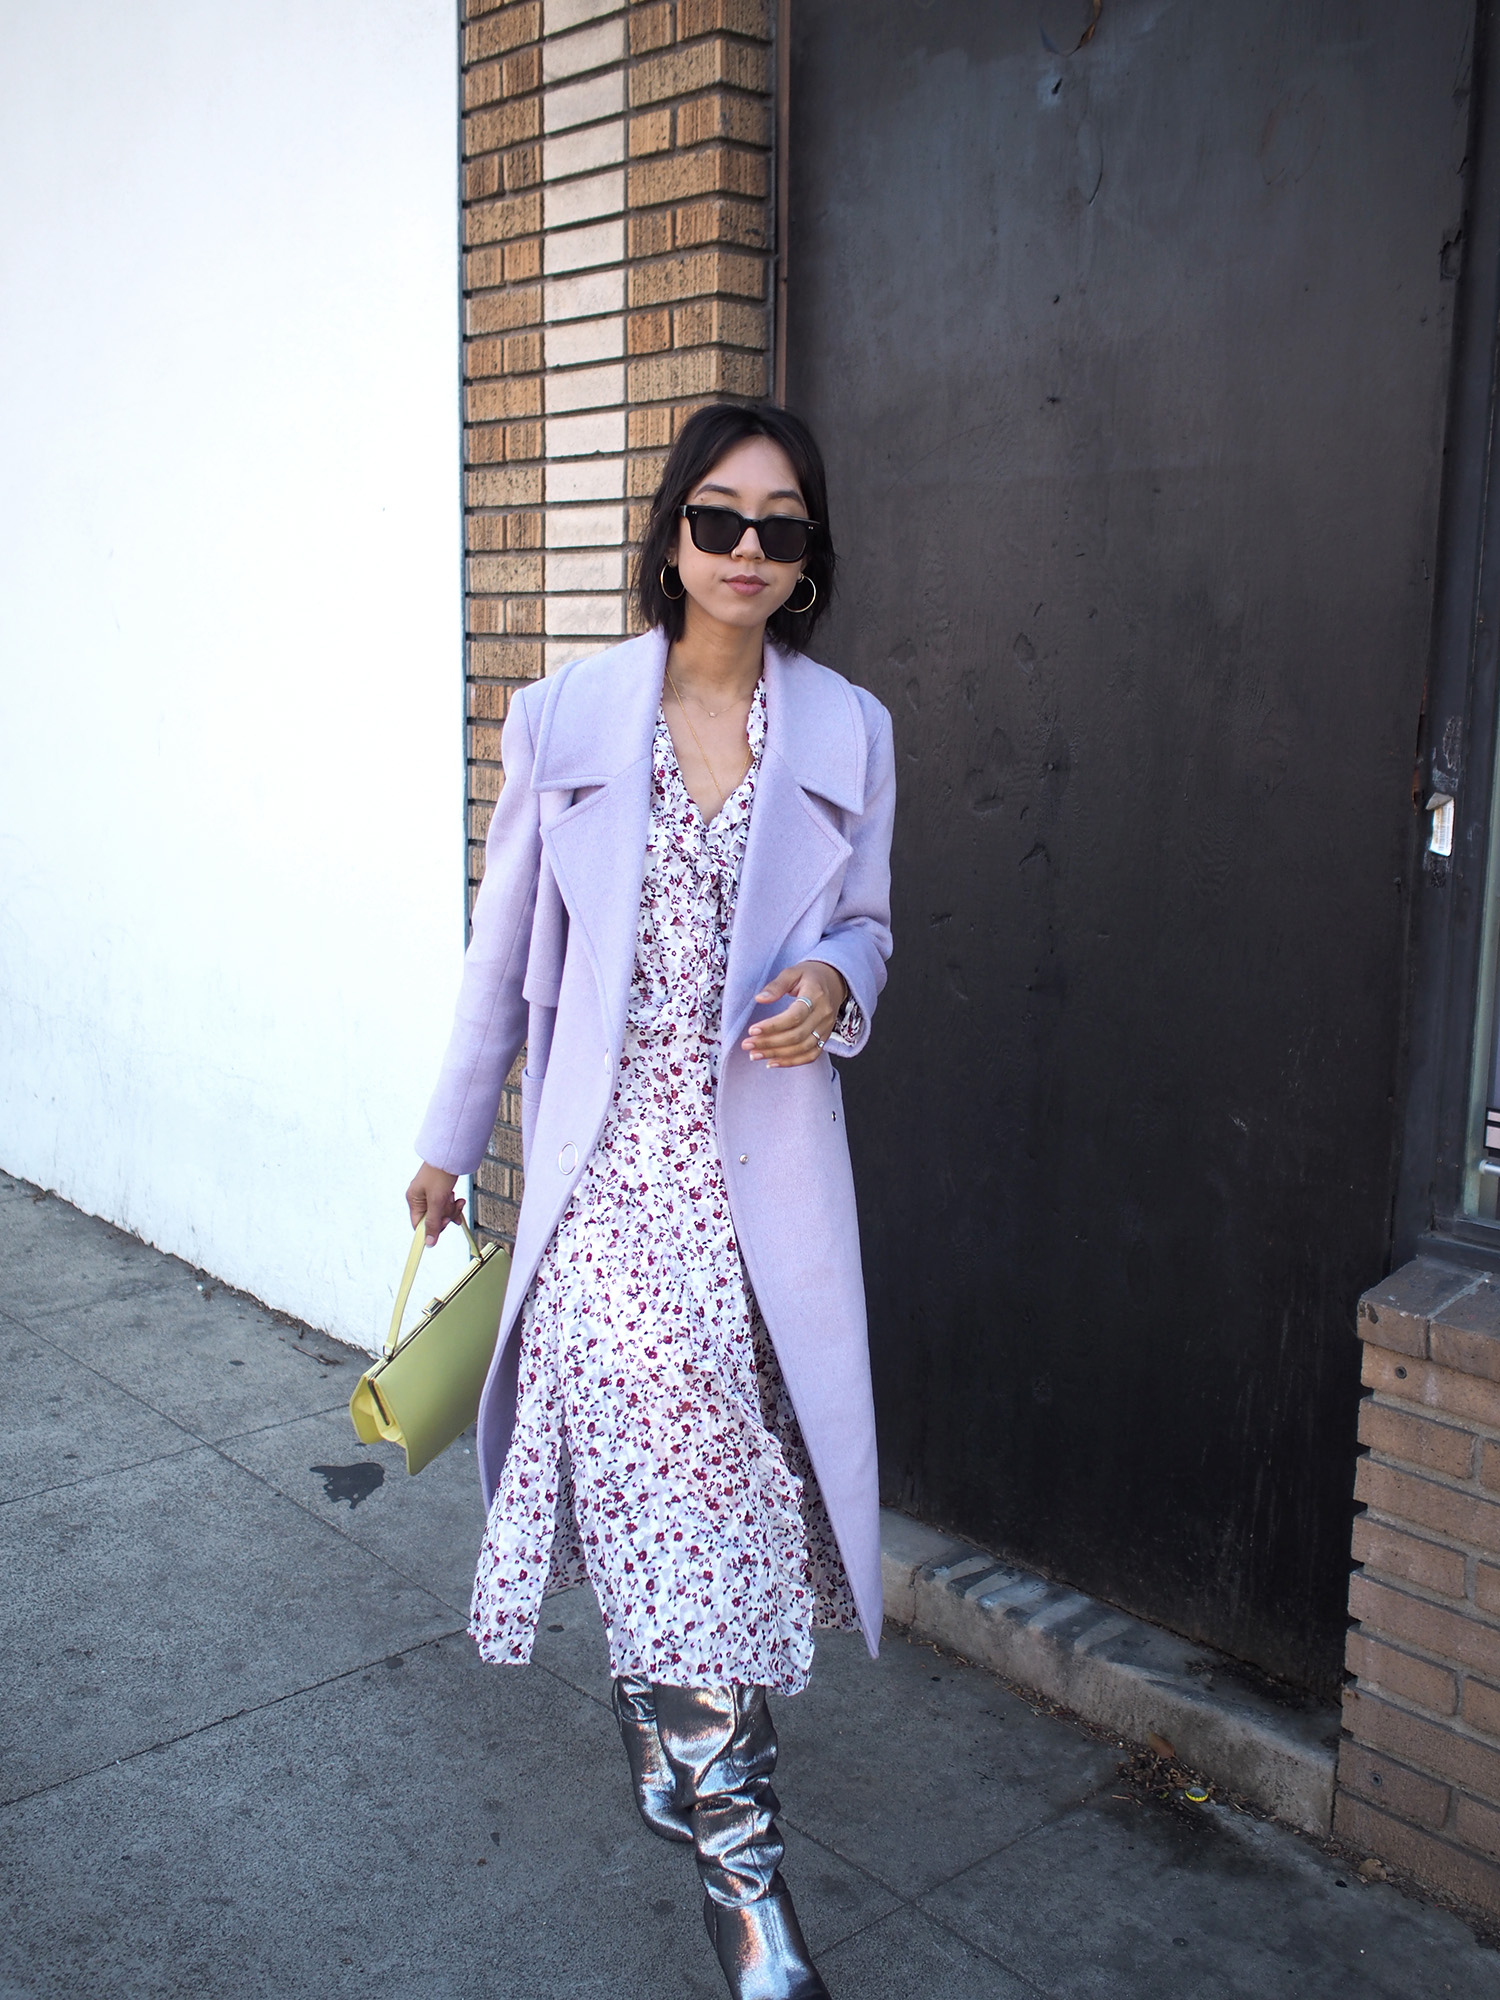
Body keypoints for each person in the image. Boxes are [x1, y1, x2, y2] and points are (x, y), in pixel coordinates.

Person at [406, 401, 895, 2000]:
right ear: (670, 534)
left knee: (712, 1500)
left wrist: (836, 976)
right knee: (680, 1474)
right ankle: (749, 1893)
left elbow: (876, 928)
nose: (748, 553)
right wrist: (446, 1134)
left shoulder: (847, 733)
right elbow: (501, 956)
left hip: (760, 1186)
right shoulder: (564, 719)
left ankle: (654, 1704)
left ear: (809, 557)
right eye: (720, 519)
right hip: (611, 1193)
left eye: (783, 528)